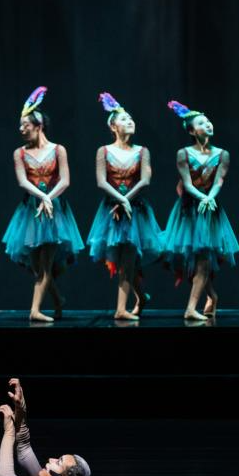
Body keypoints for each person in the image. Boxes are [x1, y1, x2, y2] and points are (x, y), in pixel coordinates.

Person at [1, 87, 83, 321]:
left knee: (45, 265)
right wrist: (42, 197)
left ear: (39, 126)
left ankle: (35, 310)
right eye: (20, 126)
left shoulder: (58, 150)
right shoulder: (19, 153)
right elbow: (23, 181)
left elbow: (65, 180)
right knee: (36, 266)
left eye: (25, 125)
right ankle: (58, 299)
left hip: (54, 212)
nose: (21, 129)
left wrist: (49, 198)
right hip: (31, 210)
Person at [86, 92, 164, 320]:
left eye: (131, 118)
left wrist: (126, 200)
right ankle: (141, 296)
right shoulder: (104, 151)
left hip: (135, 211)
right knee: (122, 261)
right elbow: (101, 181)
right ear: (113, 127)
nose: (130, 121)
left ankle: (121, 309)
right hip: (112, 211)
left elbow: (145, 180)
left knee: (129, 259)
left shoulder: (142, 151)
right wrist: (120, 200)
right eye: (124, 119)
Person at [162, 100, 239, 320]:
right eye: (201, 123)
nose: (208, 125)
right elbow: (187, 184)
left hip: (210, 212)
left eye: (208, 121)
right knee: (197, 261)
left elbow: (219, 180)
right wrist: (202, 197)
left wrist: (210, 197)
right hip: (189, 211)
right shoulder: (183, 154)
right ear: (192, 131)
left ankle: (193, 307)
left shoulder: (222, 154)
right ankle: (210, 297)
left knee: (204, 261)